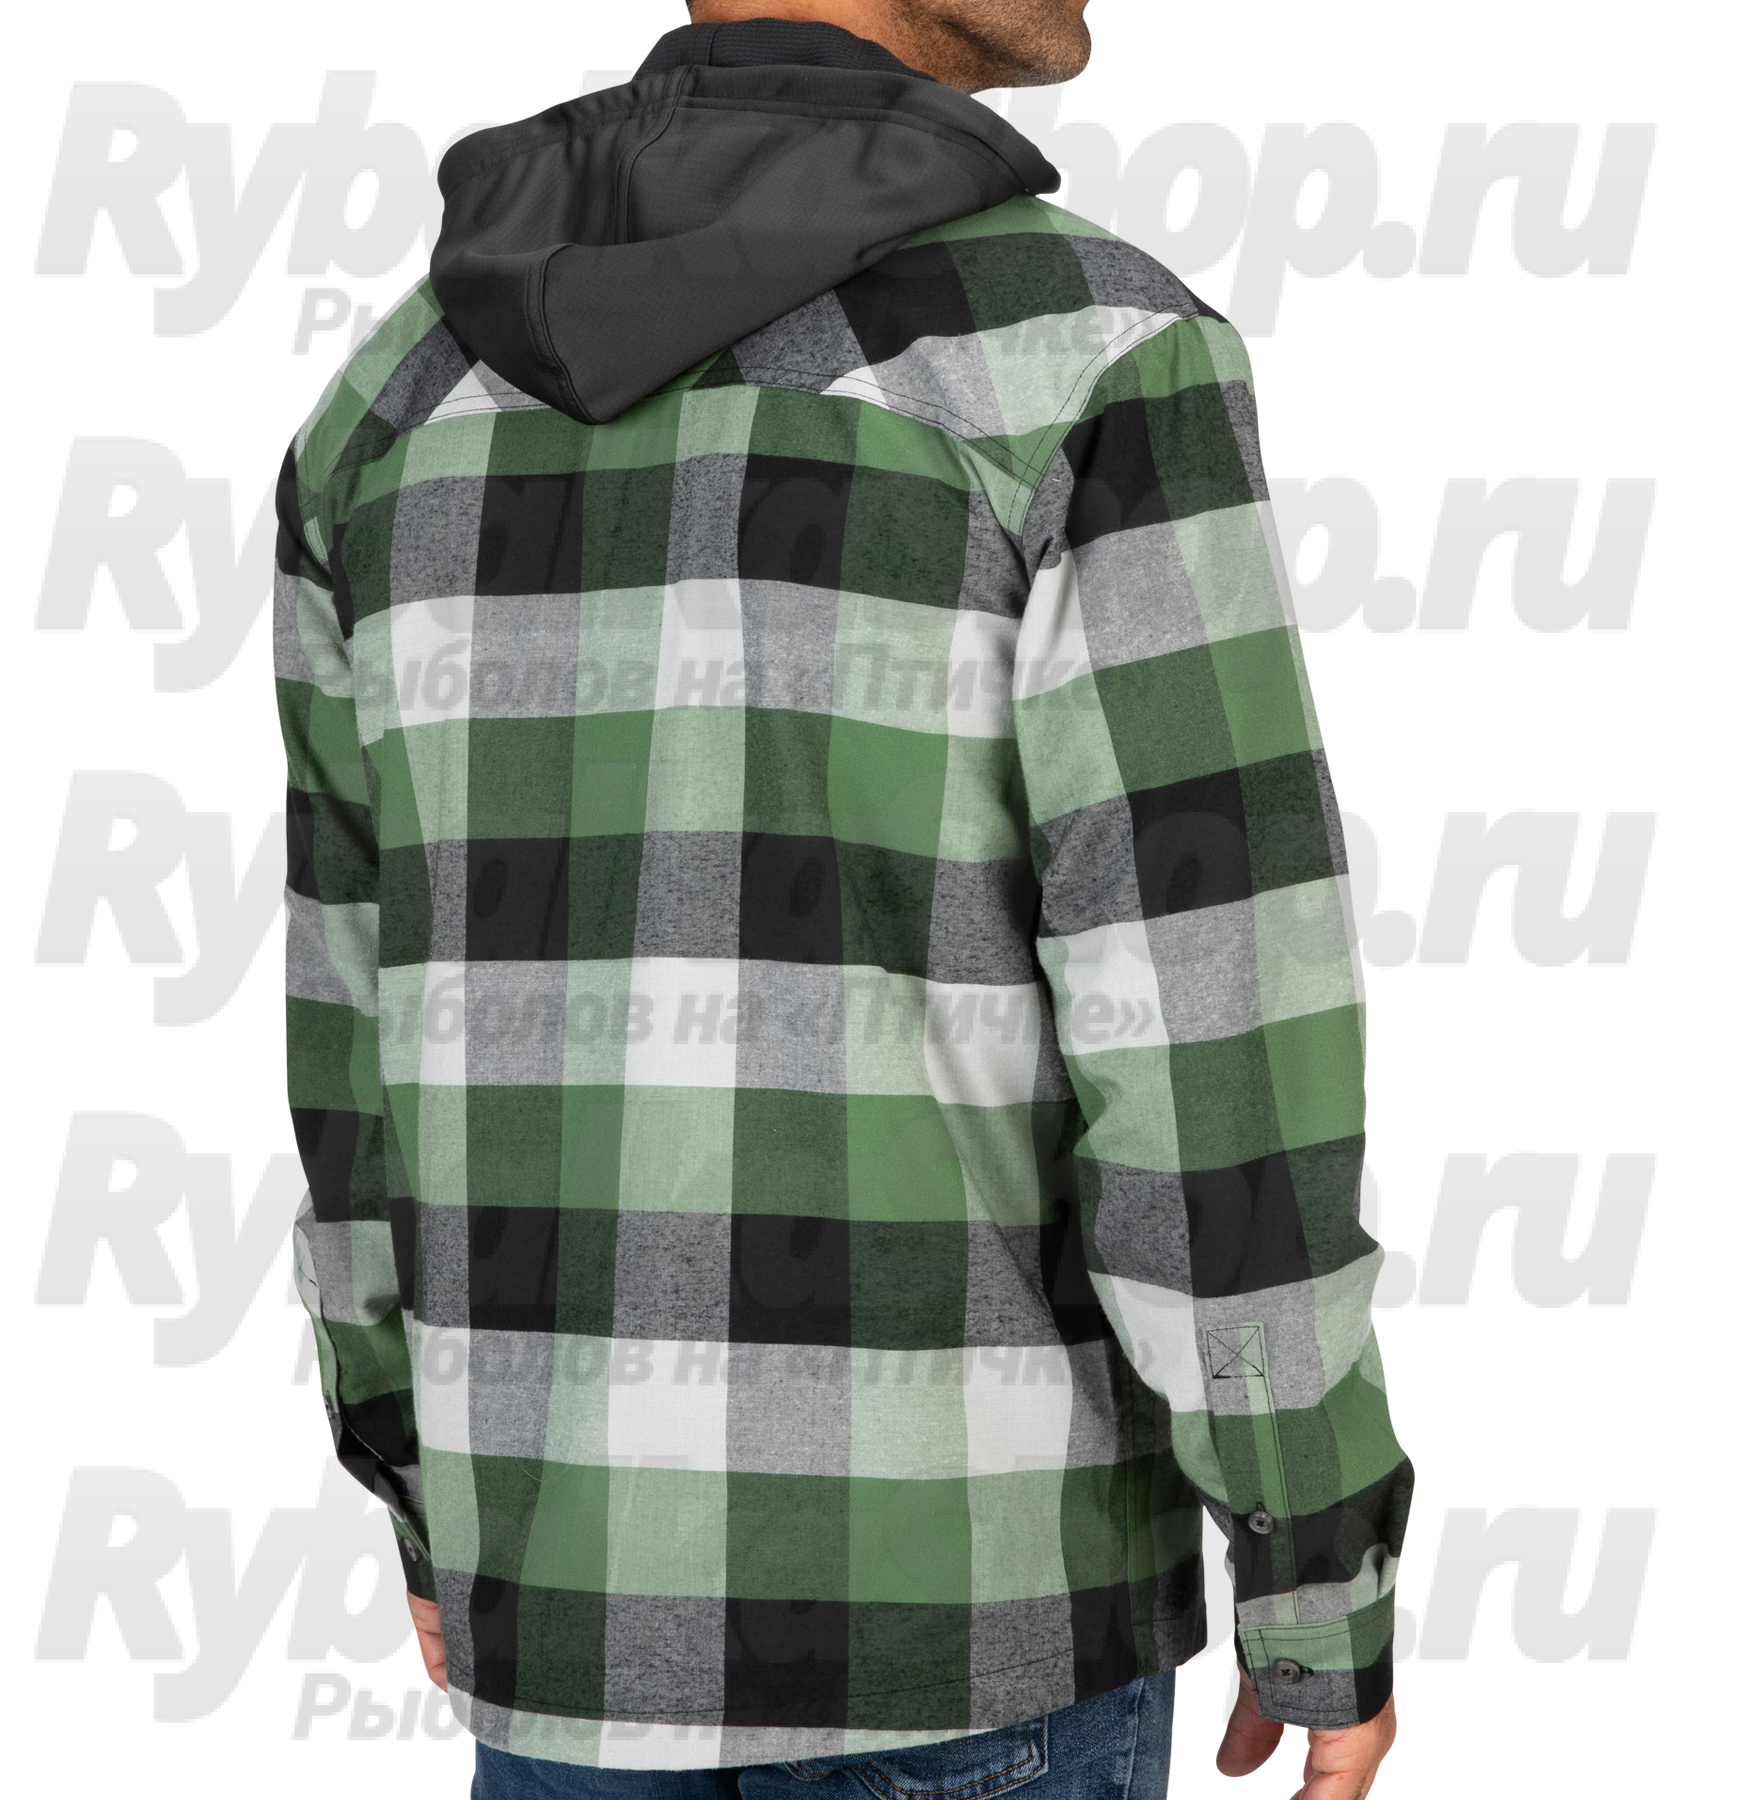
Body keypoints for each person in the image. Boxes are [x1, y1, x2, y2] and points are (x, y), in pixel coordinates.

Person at [273, 5, 1413, 1798]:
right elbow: (1208, 1033)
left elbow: (350, 1039)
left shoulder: (391, 410)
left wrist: (421, 1489)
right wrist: (1315, 1558)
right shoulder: (1082, 354)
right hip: (969, 1636)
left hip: (558, 1618)